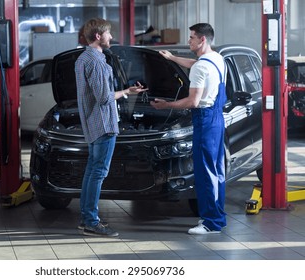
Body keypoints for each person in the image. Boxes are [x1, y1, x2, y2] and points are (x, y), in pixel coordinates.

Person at [151, 23, 227, 235]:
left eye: (192, 37)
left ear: (202, 40)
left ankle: (210, 222)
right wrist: (173, 58)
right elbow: (195, 64)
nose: (189, 41)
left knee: (204, 173)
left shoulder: (201, 68)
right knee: (217, 171)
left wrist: (166, 105)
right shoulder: (216, 58)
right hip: (217, 119)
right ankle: (218, 218)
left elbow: (193, 102)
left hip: (204, 120)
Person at [75, 18, 148, 237]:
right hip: (104, 123)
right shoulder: (96, 62)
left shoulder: (82, 58)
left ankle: (86, 217)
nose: (111, 37)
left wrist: (126, 90)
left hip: (91, 122)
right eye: (108, 34)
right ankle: (90, 221)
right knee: (98, 172)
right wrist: (125, 92)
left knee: (92, 171)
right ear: (98, 36)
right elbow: (105, 98)